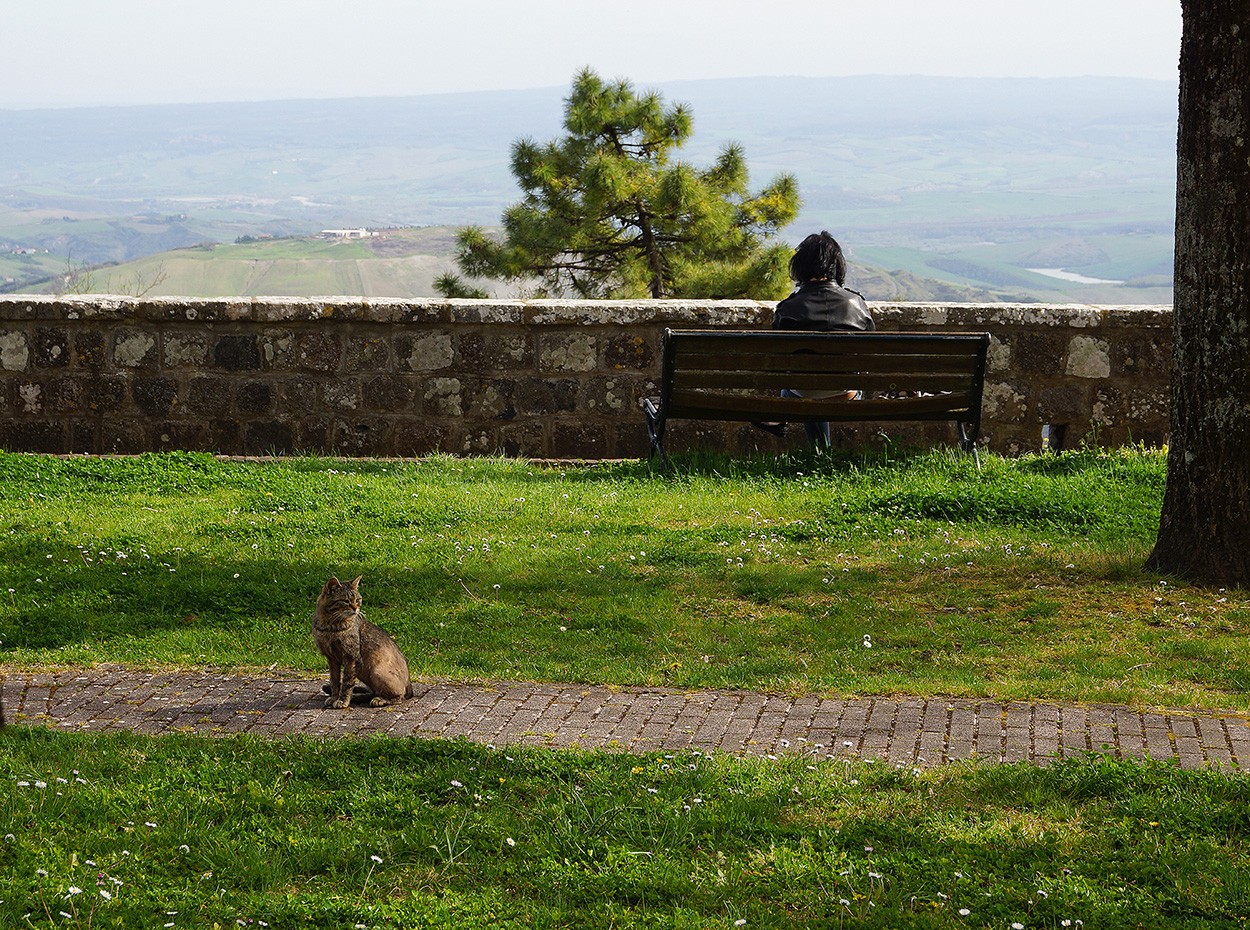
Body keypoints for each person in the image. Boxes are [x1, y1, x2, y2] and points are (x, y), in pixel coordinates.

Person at [755, 231, 875, 447]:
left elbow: (778, 360)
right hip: (846, 392)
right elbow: (870, 352)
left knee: (804, 388)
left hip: (803, 391)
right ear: (837, 265)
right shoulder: (857, 304)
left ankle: (811, 446)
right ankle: (820, 455)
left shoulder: (788, 308)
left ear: (800, 266)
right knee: (817, 386)